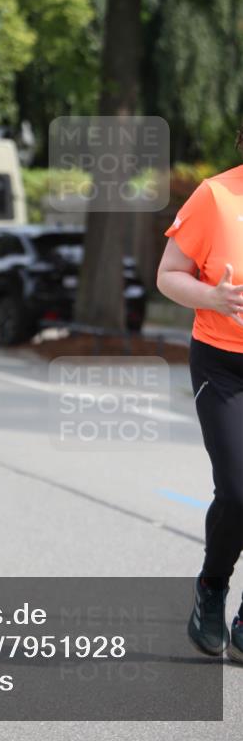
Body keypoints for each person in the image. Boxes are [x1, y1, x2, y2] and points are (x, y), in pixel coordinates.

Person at [157, 125, 243, 664]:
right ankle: (212, 590)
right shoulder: (216, 195)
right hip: (225, 363)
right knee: (238, 490)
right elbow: (168, 275)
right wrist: (211, 295)